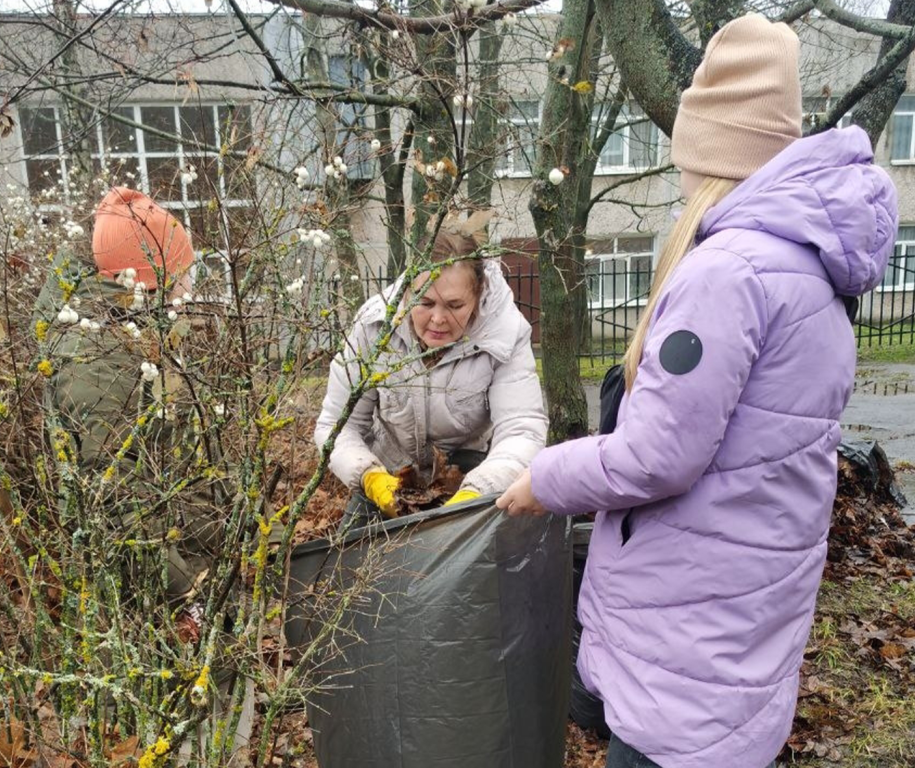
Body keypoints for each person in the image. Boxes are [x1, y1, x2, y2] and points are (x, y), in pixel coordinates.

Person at [498, 14, 897, 768]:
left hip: (688, 637)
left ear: (707, 152)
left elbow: (658, 456)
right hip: (741, 613)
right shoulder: (808, 270)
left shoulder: (728, 272)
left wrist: (542, 480)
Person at [35, 186, 225, 618]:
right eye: (184, 271)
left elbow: (181, 452)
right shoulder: (100, 365)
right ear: (149, 280)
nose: (191, 284)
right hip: (147, 600)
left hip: (177, 562)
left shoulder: (139, 340)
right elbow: (117, 509)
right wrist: (193, 593)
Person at [315, 228, 548, 528]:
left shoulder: (503, 335)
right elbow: (336, 425)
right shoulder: (374, 327)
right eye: (425, 304)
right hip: (389, 472)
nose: (438, 319)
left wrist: (477, 491)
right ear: (409, 291)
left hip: (469, 470)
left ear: (477, 297)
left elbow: (521, 430)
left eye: (455, 306)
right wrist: (369, 476)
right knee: (350, 559)